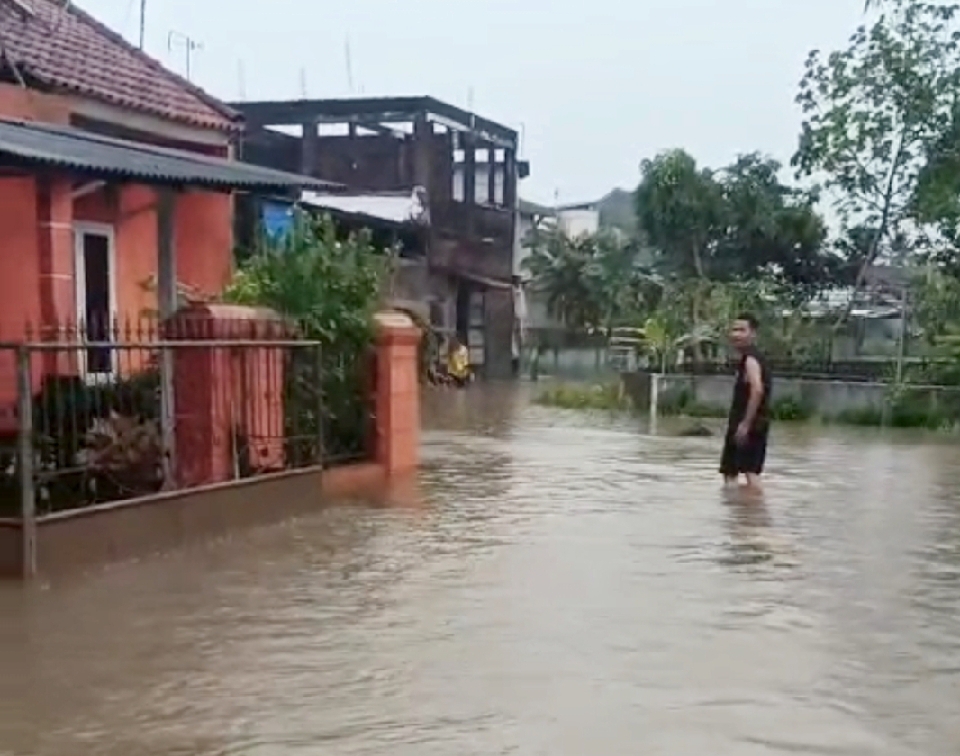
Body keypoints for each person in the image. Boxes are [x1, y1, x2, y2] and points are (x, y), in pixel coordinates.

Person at [719, 312, 772, 491]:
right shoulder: (756, 358)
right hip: (757, 423)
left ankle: (746, 507)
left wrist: (745, 424)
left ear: (753, 334)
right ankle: (744, 508)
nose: (736, 334)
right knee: (747, 471)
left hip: (747, 423)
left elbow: (757, 389)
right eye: (734, 330)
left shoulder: (751, 359)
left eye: (742, 330)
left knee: (736, 472)